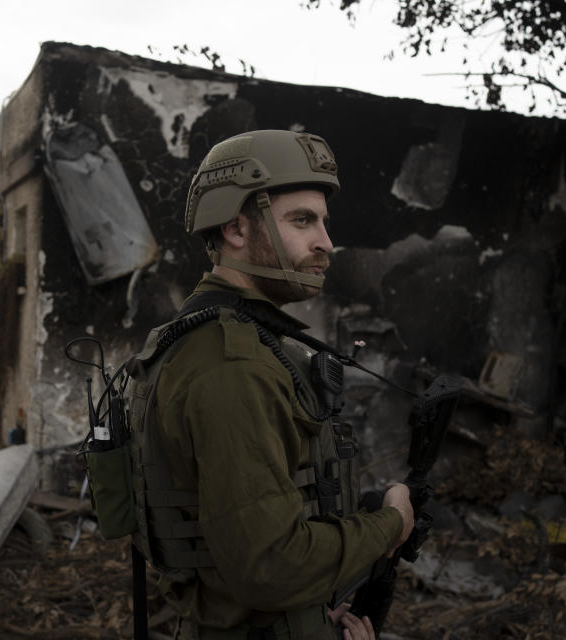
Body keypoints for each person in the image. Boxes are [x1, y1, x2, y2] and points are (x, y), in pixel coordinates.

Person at [129, 130, 414, 640]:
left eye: (324, 222)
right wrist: (391, 523)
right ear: (237, 228)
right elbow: (269, 568)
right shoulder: (231, 363)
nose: (326, 241)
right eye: (302, 220)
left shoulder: (214, 337)